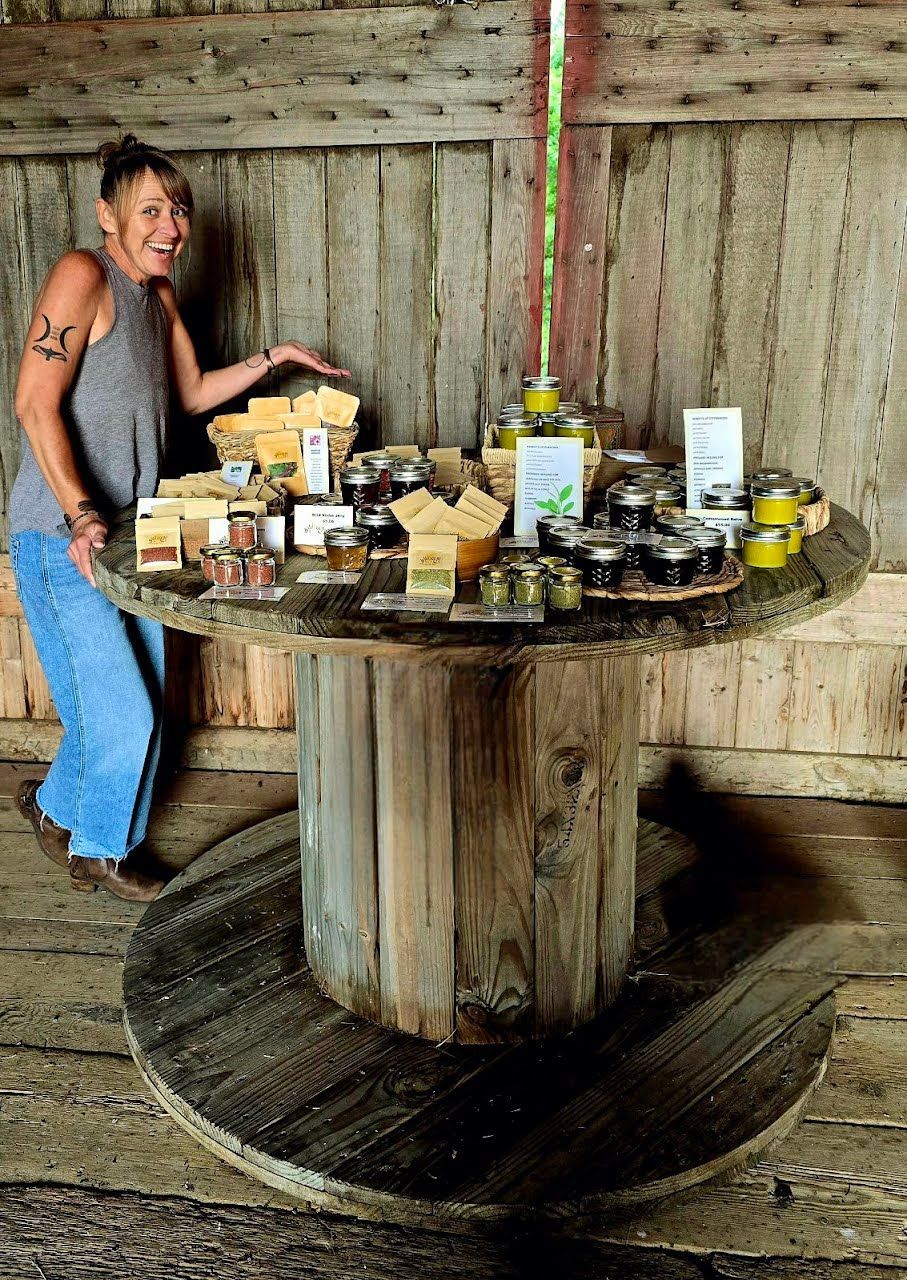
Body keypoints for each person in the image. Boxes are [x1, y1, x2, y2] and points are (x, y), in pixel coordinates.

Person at [10, 135, 349, 902]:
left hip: (131, 533)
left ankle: (52, 805)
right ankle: (98, 852)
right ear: (108, 215)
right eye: (152, 210)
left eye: (180, 211)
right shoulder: (81, 275)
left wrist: (274, 358)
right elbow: (34, 402)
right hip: (61, 533)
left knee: (139, 705)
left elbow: (191, 393)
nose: (171, 226)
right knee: (122, 714)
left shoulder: (155, 298)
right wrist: (81, 516)